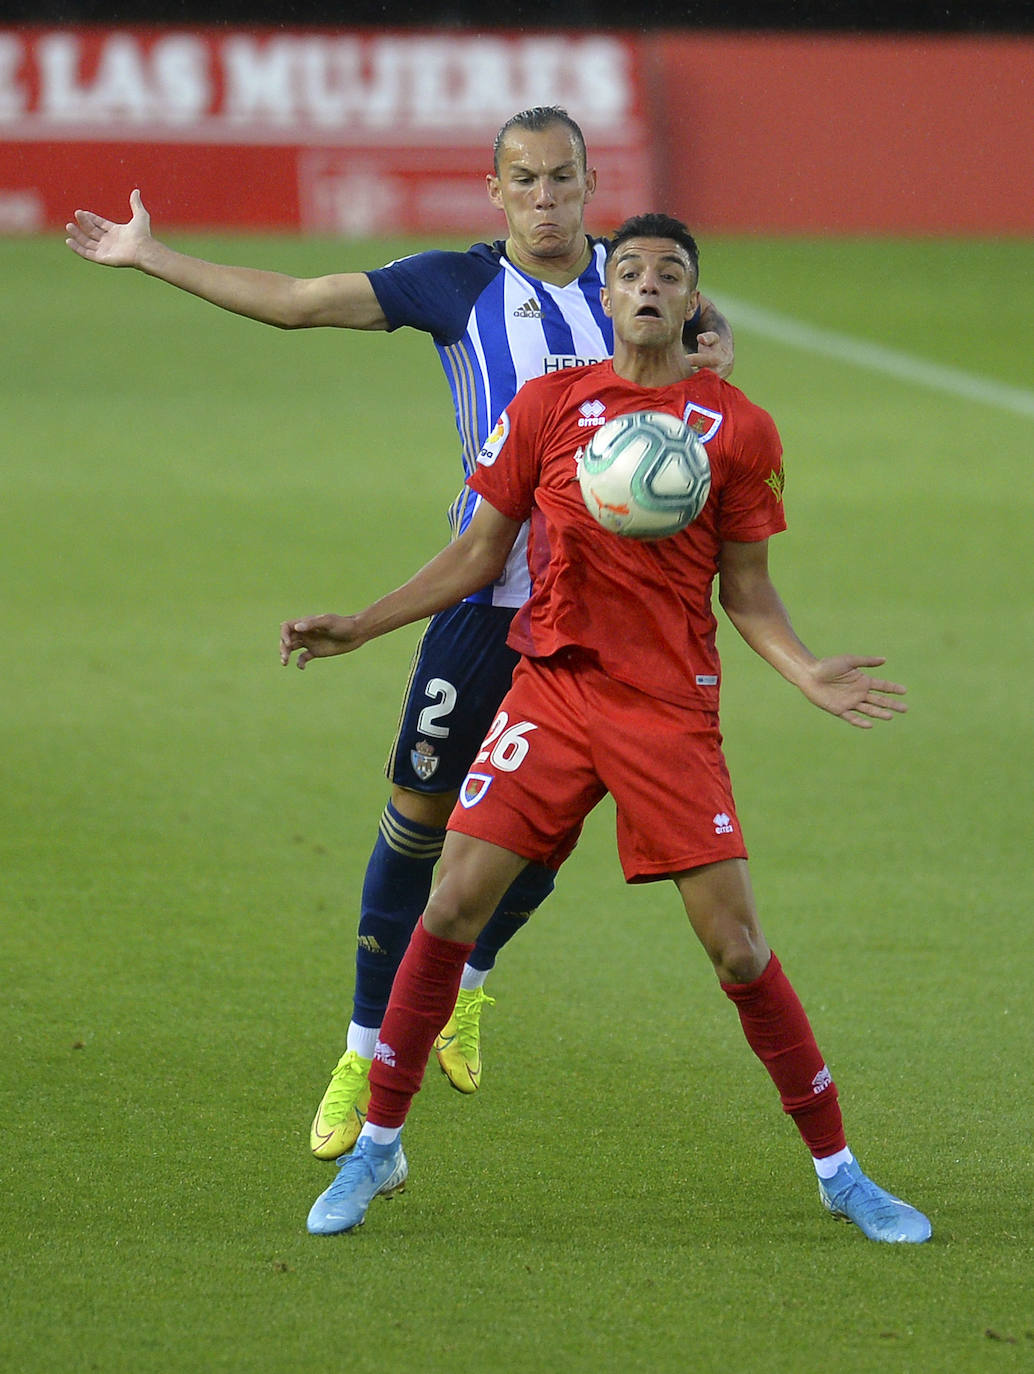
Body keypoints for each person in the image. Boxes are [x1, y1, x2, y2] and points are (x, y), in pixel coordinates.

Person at [66, 108, 735, 1161]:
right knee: (417, 817)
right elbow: (296, 302)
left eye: (563, 180)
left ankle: (468, 980)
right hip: (479, 599)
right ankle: (362, 1046)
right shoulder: (455, 285)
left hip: (607, 615)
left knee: (550, 823)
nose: (546, 201)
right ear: (493, 189)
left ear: (590, 179)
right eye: (525, 181)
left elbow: (707, 400)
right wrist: (150, 255)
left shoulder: (635, 278)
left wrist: (714, 370)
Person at [280, 213, 932, 1245]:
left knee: (735, 947)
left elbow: (747, 592)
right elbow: (474, 553)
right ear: (607, 291)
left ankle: (839, 1170)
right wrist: (362, 624)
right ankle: (378, 1148)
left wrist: (804, 669)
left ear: (692, 303)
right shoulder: (549, 406)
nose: (642, 286)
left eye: (666, 274)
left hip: (667, 710)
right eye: (626, 270)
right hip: (552, 692)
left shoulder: (737, 429)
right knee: (448, 903)